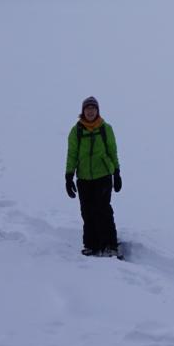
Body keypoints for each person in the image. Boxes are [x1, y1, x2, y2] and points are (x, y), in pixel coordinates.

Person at [65, 96, 122, 256]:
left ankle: (110, 244)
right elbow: (72, 154)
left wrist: (116, 173)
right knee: (87, 211)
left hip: (103, 175)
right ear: (83, 111)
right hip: (83, 178)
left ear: (98, 111)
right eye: (87, 108)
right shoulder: (76, 131)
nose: (90, 111)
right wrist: (68, 176)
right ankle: (91, 244)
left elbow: (112, 151)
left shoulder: (106, 128)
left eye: (93, 108)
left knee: (103, 209)